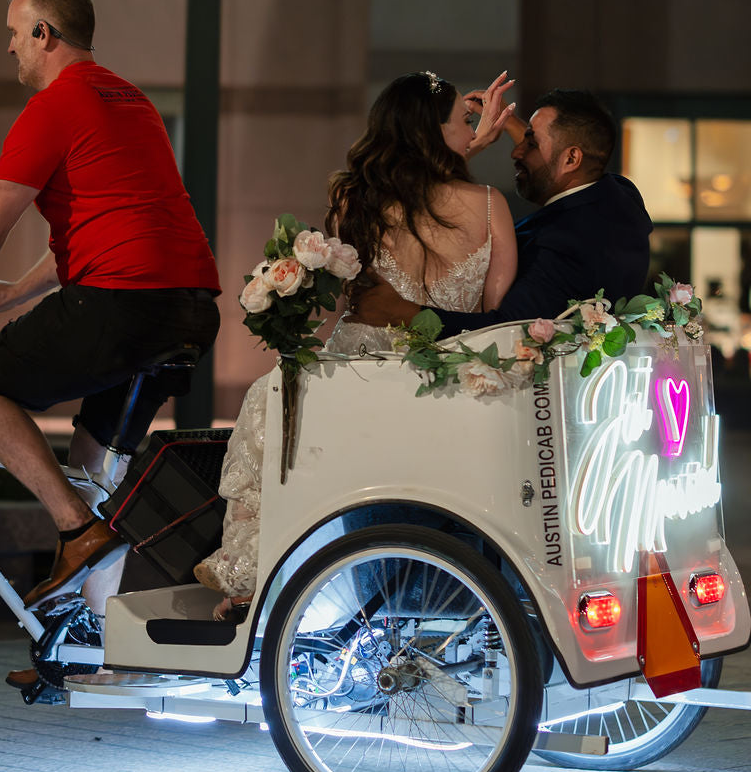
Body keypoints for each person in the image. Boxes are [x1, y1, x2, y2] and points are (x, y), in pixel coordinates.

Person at [0, 0, 221, 662]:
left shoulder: (55, 106)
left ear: (44, 33)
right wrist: (15, 294)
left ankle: (75, 532)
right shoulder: (131, 101)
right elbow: (119, 229)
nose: (9, 48)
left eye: (13, 32)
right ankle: (88, 639)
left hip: (120, 303)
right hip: (185, 309)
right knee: (92, 471)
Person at [193, 69, 518, 614]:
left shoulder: (357, 199)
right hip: (445, 376)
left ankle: (255, 573)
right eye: (465, 118)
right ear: (434, 130)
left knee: (266, 405)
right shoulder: (489, 207)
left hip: (358, 369)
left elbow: (356, 292)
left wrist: (457, 143)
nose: (476, 126)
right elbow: (491, 317)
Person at [352, 88, 652, 337]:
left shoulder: (569, 242)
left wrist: (404, 313)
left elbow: (508, 328)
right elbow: (563, 159)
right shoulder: (618, 198)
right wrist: (510, 124)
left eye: (531, 143)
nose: (516, 151)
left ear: (572, 157)